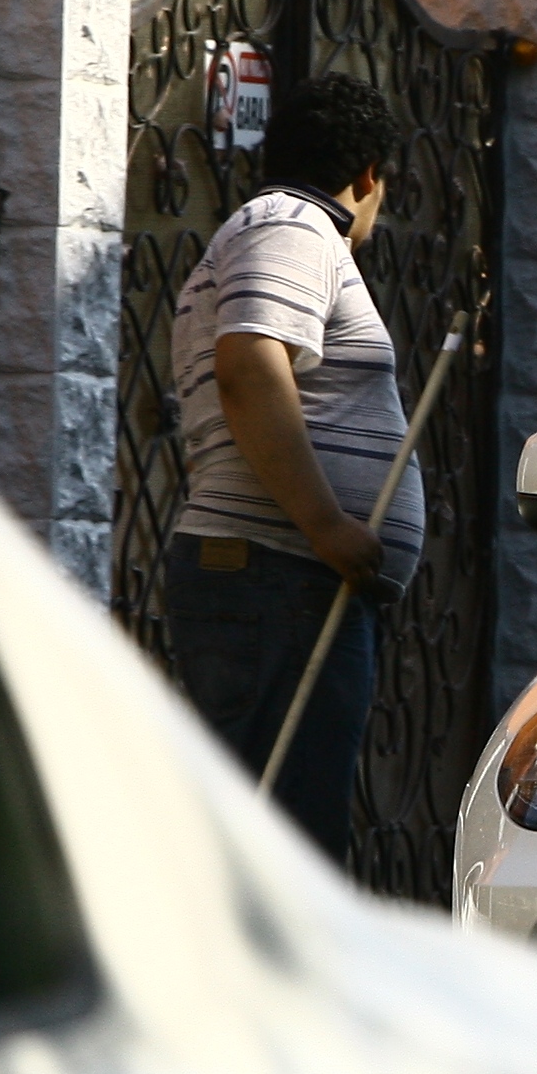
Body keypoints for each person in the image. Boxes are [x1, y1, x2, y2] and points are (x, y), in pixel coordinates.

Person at [162, 74, 421, 858]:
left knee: (274, 830)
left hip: (281, 579)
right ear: (368, 174)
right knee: (287, 844)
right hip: (281, 575)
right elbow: (248, 365)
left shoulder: (267, 227)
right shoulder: (295, 228)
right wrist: (326, 525)